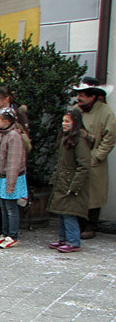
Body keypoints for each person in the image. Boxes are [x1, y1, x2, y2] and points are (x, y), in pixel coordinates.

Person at [72, 77, 116, 239]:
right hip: (76, 160)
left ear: (93, 96)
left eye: (83, 95)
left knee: (93, 195)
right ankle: (76, 224)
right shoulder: (75, 110)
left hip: (93, 162)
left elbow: (110, 137)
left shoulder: (105, 113)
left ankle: (90, 225)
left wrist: (97, 156)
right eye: (78, 95)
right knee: (77, 192)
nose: (79, 98)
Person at [47, 109, 93, 253]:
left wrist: (75, 185)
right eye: (63, 121)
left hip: (70, 182)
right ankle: (63, 238)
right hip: (63, 180)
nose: (63, 124)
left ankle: (73, 241)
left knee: (69, 213)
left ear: (75, 122)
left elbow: (84, 165)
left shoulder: (80, 139)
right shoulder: (66, 137)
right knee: (61, 211)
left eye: (67, 121)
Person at [0, 86, 29, 240]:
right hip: (1, 169)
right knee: (2, 203)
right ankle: (3, 231)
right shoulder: (0, 128)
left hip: (11, 173)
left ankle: (12, 234)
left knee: (10, 205)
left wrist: (10, 182)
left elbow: (14, 160)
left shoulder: (14, 134)